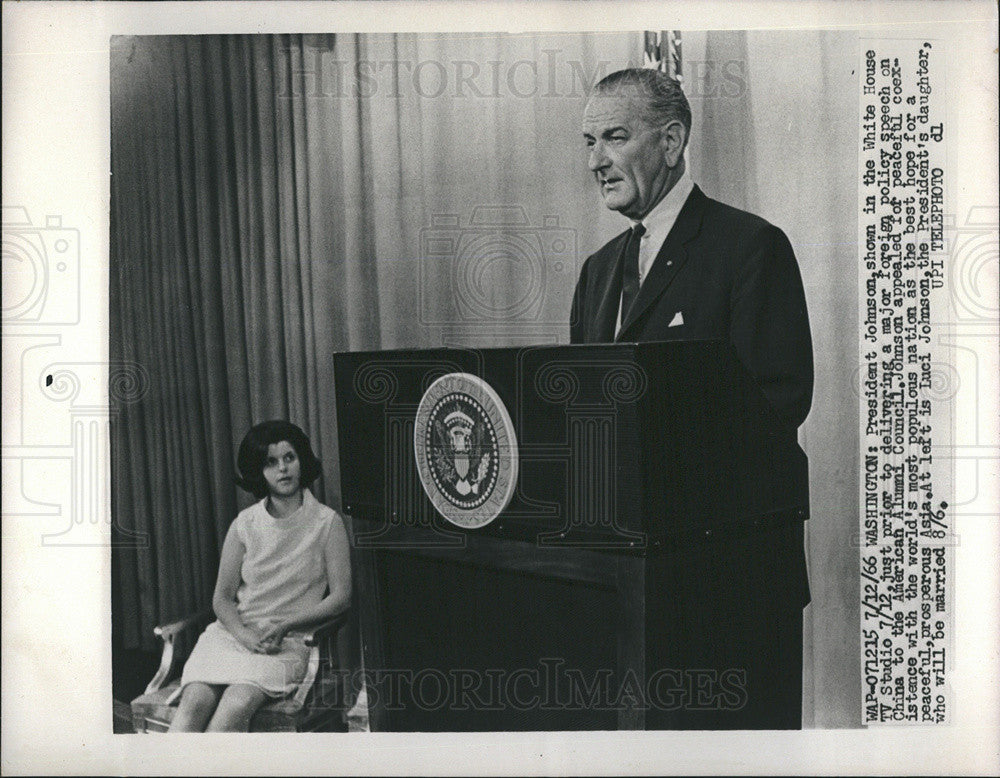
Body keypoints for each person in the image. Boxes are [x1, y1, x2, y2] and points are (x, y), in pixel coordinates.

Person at [571, 68, 813, 728]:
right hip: (630, 579)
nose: (596, 161)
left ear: (672, 142)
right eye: (588, 141)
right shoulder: (596, 274)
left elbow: (779, 401)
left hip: (729, 583)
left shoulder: (749, 247)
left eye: (614, 137)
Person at [168, 420, 351, 732]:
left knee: (234, 707)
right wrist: (244, 635)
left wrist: (286, 626)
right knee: (193, 705)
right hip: (233, 637)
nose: (282, 469)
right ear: (259, 471)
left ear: (301, 461)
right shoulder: (245, 524)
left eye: (289, 458)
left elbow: (341, 597)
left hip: (287, 645)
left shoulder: (327, 523)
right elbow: (222, 599)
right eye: (271, 462)